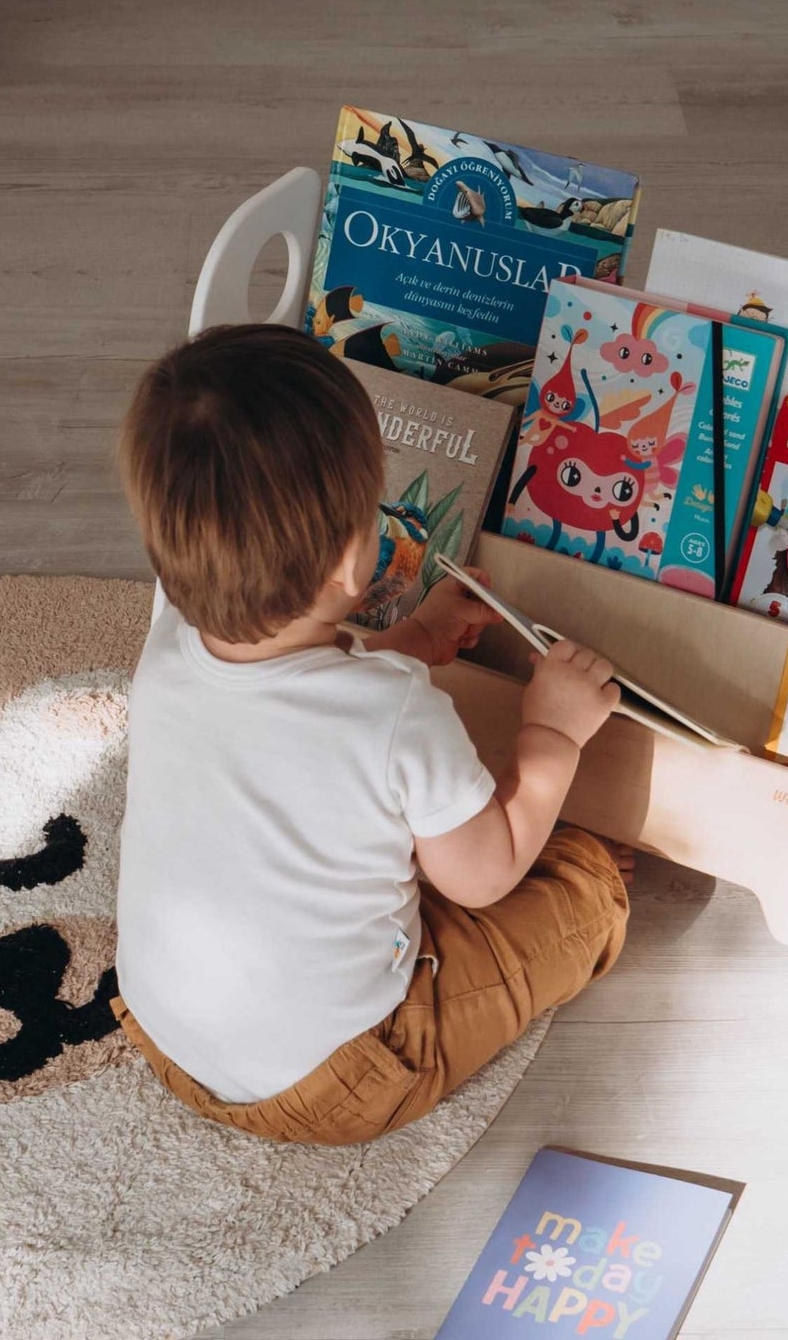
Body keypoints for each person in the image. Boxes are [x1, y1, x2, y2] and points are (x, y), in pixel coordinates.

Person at [111, 323, 630, 1144]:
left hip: (163, 1032)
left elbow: (298, 702)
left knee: (361, 831)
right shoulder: (396, 711)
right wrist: (552, 732)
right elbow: (484, 877)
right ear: (355, 566)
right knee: (589, 891)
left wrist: (417, 639)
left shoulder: (171, 633)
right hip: (340, 1080)